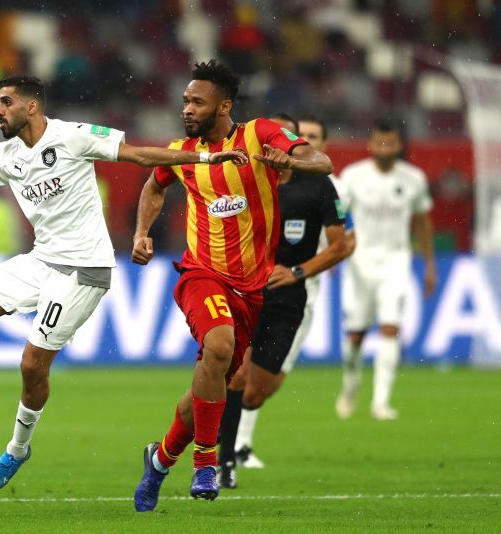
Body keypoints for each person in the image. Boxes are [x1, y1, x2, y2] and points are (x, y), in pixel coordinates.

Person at [0, 75, 246, 494]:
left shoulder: (73, 137)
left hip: (84, 270)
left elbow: (140, 157)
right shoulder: (5, 156)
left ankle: (18, 449)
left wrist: (204, 161)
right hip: (42, 259)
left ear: (31, 107)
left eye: (5, 102)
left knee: (32, 364)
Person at [130, 60, 333, 511]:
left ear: (223, 106)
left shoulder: (260, 134)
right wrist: (142, 232)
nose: (186, 109)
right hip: (200, 274)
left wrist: (292, 157)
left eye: (196, 102)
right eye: (184, 101)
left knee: (211, 379)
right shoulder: (182, 152)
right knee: (219, 350)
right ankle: (206, 462)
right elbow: (153, 186)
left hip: (252, 289)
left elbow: (323, 161)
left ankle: (159, 460)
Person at [216, 113, 350, 488]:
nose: (269, 144)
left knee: (257, 391)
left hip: (290, 296)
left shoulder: (318, 186)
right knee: (237, 375)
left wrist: (297, 272)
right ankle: (222, 462)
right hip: (246, 290)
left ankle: (217, 430)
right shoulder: (242, 178)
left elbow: (340, 246)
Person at [335, 118, 436, 421]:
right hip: (359, 261)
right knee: (355, 336)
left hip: (396, 260)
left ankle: (381, 402)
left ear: (399, 145)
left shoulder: (414, 179)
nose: (384, 148)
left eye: (390, 143)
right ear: (370, 144)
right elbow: (338, 216)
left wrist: (429, 263)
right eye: (379, 142)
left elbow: (421, 220)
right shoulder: (353, 177)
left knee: (391, 326)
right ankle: (351, 384)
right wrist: (332, 251)